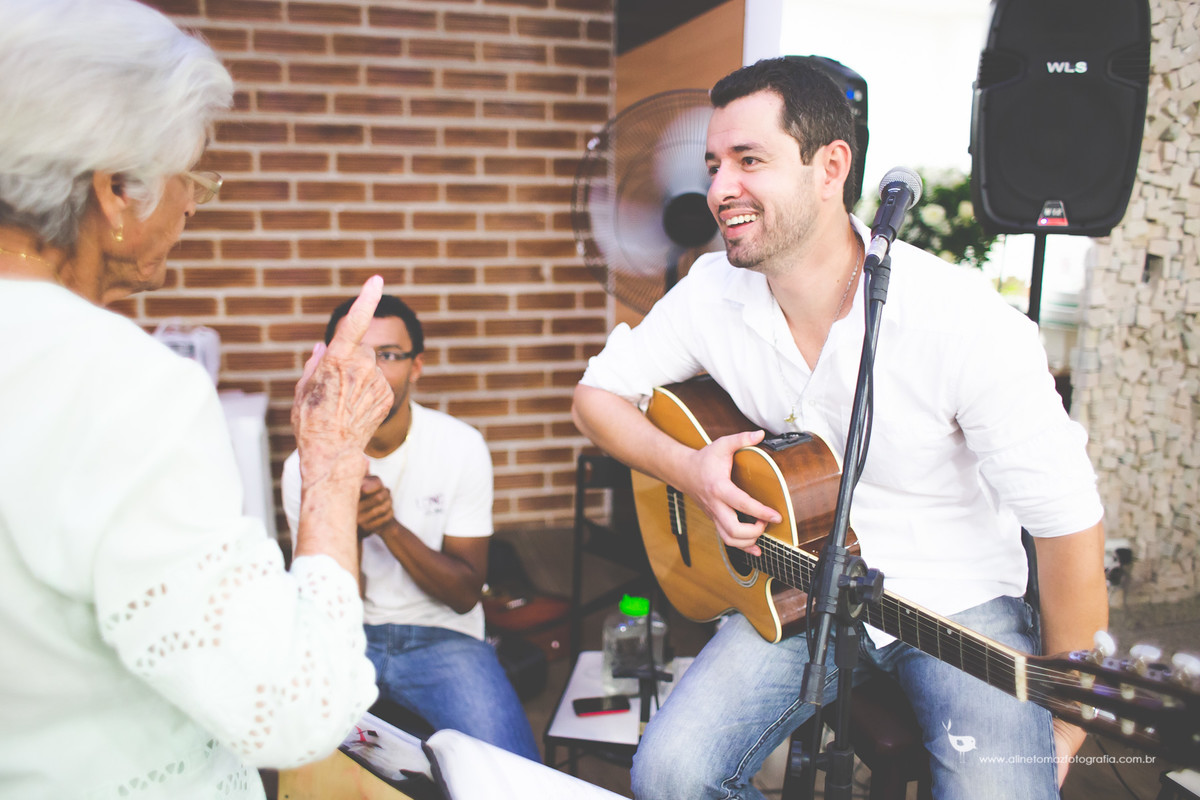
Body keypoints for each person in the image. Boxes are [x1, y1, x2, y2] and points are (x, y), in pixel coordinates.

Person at [571, 57, 1107, 800]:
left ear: (831, 167)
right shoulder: (710, 291)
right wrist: (690, 470)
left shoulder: (962, 322)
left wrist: (1069, 725)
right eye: (713, 164)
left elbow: (1067, 524)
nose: (720, 188)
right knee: (668, 773)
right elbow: (596, 396)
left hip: (956, 600)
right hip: (792, 584)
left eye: (749, 160)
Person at [0, 0, 395, 797]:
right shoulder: (121, 381)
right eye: (193, 177)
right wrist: (331, 463)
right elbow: (295, 711)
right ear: (115, 190)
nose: (192, 204)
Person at [281, 295, 541, 761]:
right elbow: (327, 607)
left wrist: (388, 527)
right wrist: (351, 527)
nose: (371, 369)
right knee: (301, 759)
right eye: (357, 353)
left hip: (443, 637)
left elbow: (464, 595)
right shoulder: (303, 467)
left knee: (512, 771)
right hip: (345, 636)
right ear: (329, 363)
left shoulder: (460, 446)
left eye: (388, 354)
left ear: (417, 366)